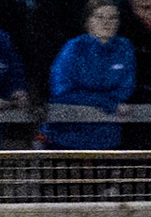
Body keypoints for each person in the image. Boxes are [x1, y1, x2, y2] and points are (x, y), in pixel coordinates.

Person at [42, 0, 136, 151]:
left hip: (108, 137)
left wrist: (104, 101)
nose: (107, 22)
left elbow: (125, 88)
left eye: (112, 18)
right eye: (100, 17)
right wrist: (108, 103)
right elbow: (62, 91)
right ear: (88, 21)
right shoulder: (73, 48)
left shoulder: (125, 47)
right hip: (67, 137)